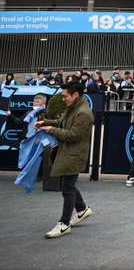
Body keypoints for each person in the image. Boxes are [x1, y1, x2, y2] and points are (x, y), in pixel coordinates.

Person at [35, 82, 93, 238]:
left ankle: (64, 223)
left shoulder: (83, 113)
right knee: (68, 184)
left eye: (65, 96)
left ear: (75, 95)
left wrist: (51, 130)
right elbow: (61, 122)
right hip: (67, 152)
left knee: (67, 188)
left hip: (74, 154)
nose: (63, 99)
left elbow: (73, 135)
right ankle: (82, 210)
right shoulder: (73, 107)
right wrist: (45, 123)